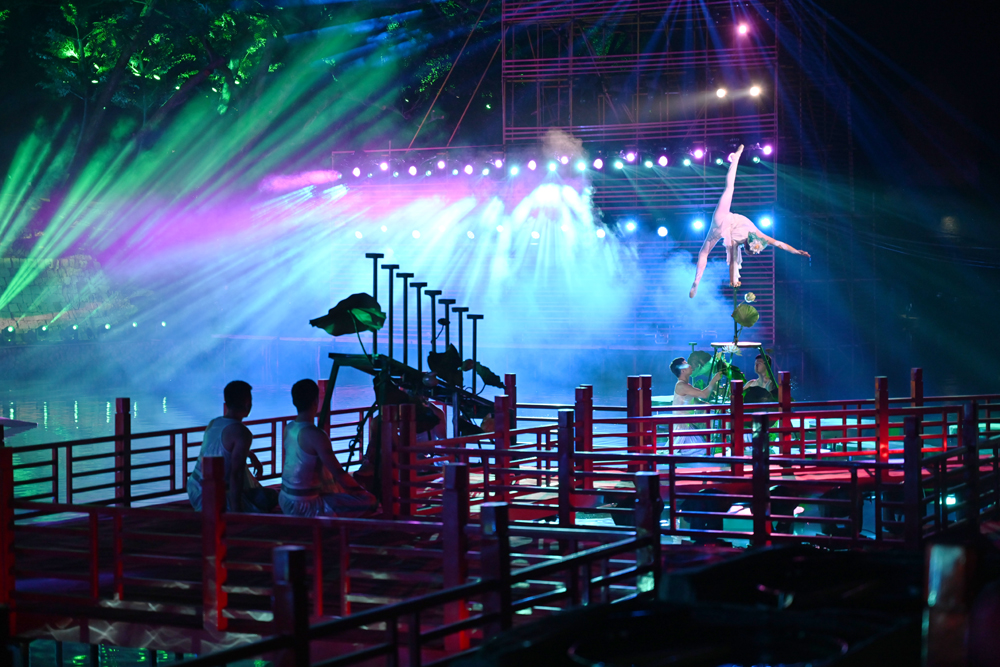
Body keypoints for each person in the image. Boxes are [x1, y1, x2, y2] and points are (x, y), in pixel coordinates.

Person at [690, 145, 810, 297]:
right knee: (704, 253)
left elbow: (779, 244)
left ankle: (735, 159)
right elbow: (733, 263)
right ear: (747, 246)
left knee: (729, 188)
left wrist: (796, 251)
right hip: (719, 227)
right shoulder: (737, 241)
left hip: (722, 216)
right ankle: (696, 281)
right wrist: (733, 281)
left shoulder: (758, 235)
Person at [279, 379, 379, 517]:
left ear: (294, 401)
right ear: (316, 401)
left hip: (284, 499)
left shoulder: (289, 428)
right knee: (370, 502)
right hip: (306, 505)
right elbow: (338, 473)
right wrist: (362, 492)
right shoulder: (316, 434)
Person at [187, 380, 278, 513]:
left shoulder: (214, 422)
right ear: (247, 404)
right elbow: (236, 475)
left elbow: (225, 447)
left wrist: (251, 455)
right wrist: (237, 511)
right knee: (272, 497)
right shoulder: (242, 432)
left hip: (195, 489)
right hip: (215, 495)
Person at [670, 357, 723, 447]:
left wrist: (708, 405)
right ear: (682, 370)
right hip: (683, 427)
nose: (690, 365)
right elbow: (704, 394)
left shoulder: (686, 386)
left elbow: (696, 401)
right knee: (699, 449)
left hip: (688, 424)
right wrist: (714, 380)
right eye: (686, 364)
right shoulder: (681, 386)